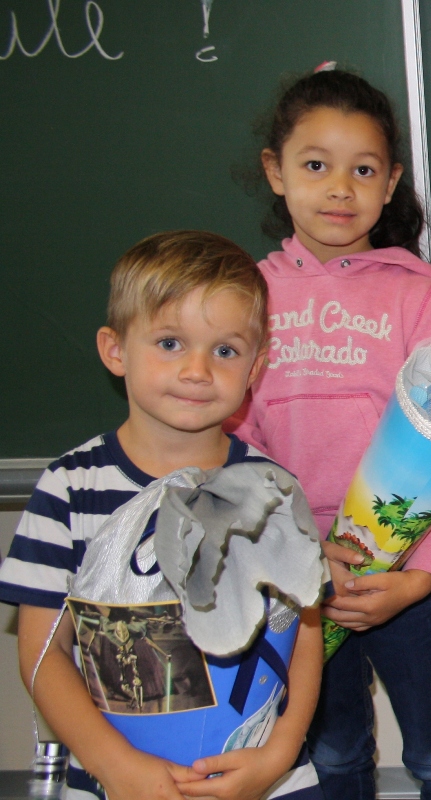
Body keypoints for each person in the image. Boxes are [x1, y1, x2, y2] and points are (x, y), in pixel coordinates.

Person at [234, 66, 431, 799]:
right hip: (298, 582)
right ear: (275, 172)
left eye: (363, 170)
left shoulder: (416, 292)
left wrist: (421, 573)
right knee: (333, 754)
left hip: (405, 579)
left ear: (391, 182)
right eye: (316, 166)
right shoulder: (246, 295)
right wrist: (294, 556)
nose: (340, 189)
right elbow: (233, 445)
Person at [0, 231, 324, 800]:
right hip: (114, 782)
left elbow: (304, 633)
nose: (198, 370)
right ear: (115, 350)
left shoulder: (273, 491)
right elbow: (42, 651)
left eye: (225, 351)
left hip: (263, 781)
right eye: (170, 343)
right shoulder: (69, 489)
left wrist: (278, 754)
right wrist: (115, 766)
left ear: (256, 368)